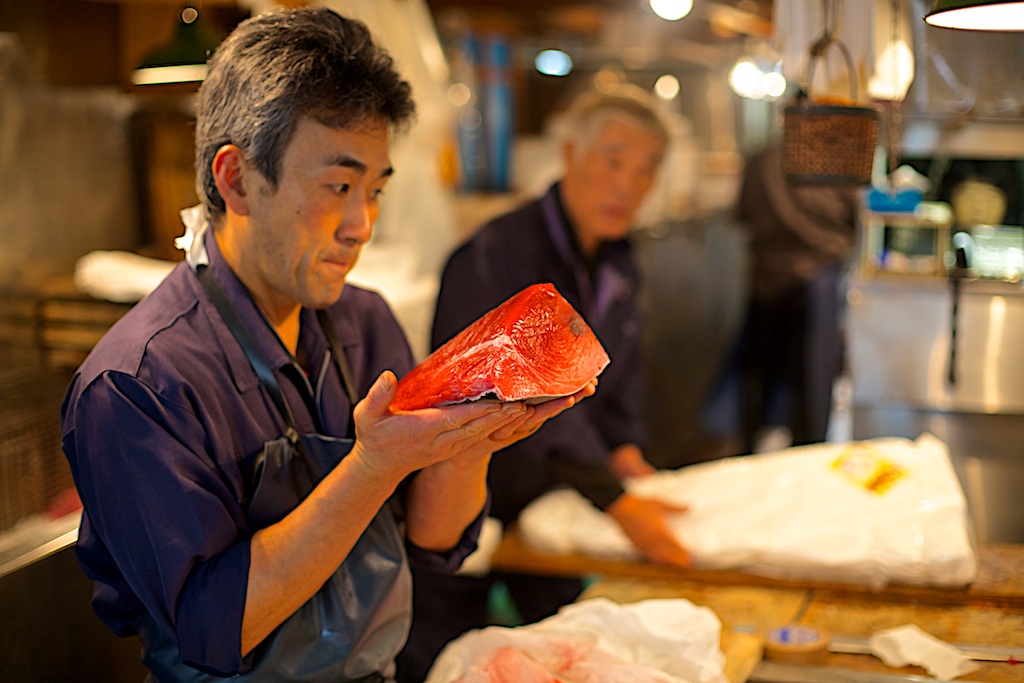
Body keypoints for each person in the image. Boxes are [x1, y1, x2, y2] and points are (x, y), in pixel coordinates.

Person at [60, 8, 591, 681]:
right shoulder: (137, 383)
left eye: (374, 190)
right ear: (237, 179)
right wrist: (371, 466)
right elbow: (214, 624)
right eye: (338, 187)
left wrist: (468, 446)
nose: (361, 225)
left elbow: (430, 543)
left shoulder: (365, 322)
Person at [396, 87, 692, 683]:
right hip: (465, 497)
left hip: (551, 493)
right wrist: (616, 500)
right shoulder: (498, 255)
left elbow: (620, 373)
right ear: (571, 153)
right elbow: (532, 395)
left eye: (646, 170)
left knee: (558, 654)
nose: (628, 185)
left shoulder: (618, 260)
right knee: (446, 660)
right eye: (613, 161)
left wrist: (624, 450)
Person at [707, 140, 859, 453]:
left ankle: (751, 454)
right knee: (811, 395)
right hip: (815, 286)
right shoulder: (836, 160)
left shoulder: (761, 159)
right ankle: (804, 460)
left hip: (765, 284)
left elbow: (742, 215)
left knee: (758, 387)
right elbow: (855, 222)